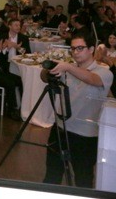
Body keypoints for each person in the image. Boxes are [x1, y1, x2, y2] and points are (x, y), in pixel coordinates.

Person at [40, 33, 113, 188]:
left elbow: (92, 79)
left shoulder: (104, 72)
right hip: (60, 129)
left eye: (80, 48)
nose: (75, 52)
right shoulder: (67, 69)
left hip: (85, 135)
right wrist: (49, 69)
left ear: (91, 49)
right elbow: (44, 78)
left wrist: (68, 67)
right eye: (73, 49)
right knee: (51, 176)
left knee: (83, 180)